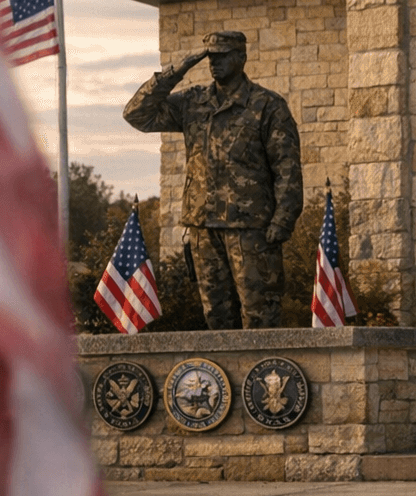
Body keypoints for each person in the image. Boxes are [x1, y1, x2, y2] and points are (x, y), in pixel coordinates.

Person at [123, 31, 303, 329]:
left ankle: (261, 376)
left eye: (223, 55)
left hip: (252, 230)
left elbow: (287, 168)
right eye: (211, 56)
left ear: (241, 58)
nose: (215, 62)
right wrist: (177, 71)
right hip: (203, 228)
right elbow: (136, 114)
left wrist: (283, 220)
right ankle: (223, 376)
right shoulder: (193, 102)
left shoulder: (266, 105)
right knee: (216, 318)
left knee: (260, 316)